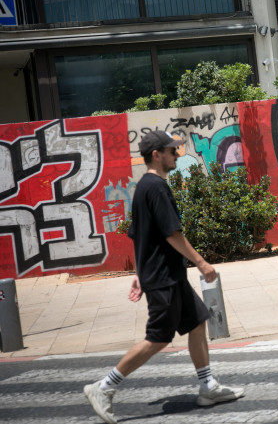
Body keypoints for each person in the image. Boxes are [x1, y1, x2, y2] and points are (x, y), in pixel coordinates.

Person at [84, 130, 244, 424]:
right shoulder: (156, 188)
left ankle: (207, 386)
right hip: (163, 278)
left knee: (197, 322)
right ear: (157, 154)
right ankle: (103, 387)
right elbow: (172, 233)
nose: (177, 155)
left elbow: (140, 236)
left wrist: (138, 274)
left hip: (163, 274)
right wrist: (201, 262)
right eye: (172, 151)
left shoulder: (144, 187)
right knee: (157, 339)